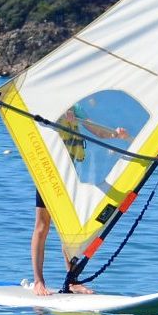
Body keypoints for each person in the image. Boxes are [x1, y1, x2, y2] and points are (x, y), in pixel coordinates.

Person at [31, 103, 128, 296]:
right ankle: (38, 281)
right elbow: (34, 128)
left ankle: (72, 281)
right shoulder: (44, 101)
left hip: (70, 175)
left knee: (69, 227)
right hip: (48, 174)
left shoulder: (76, 108)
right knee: (42, 226)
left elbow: (96, 130)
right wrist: (57, 117)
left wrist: (115, 134)